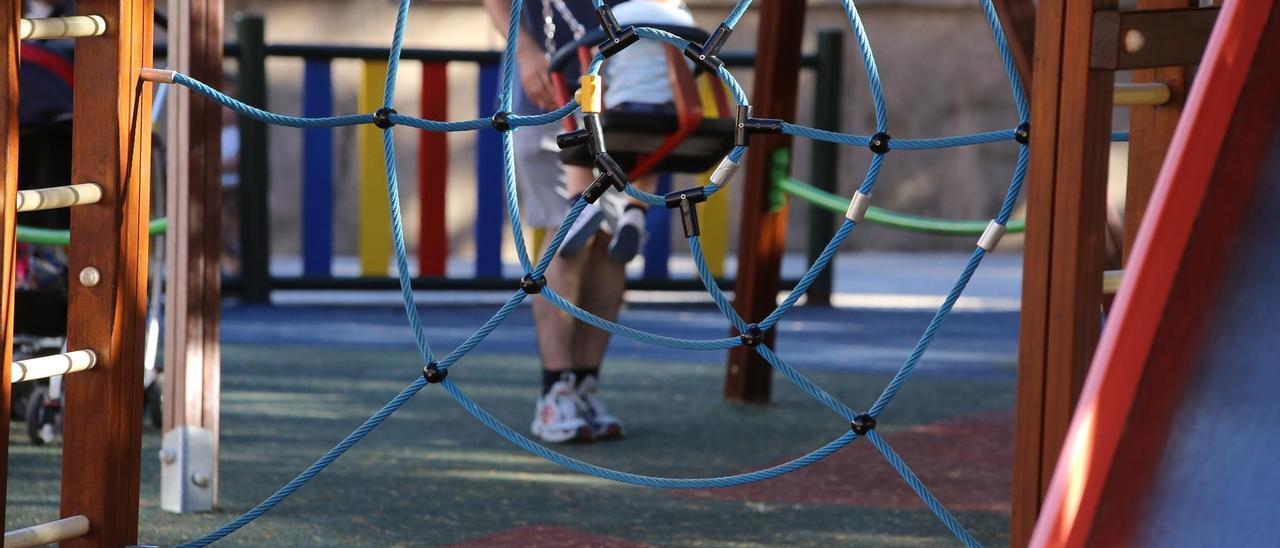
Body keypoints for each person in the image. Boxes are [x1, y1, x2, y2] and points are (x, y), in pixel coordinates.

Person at [482, 0, 626, 444]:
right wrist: (524, 50)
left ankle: (583, 386)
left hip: (622, 79)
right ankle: (554, 390)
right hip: (553, 78)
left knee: (609, 238)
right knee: (570, 234)